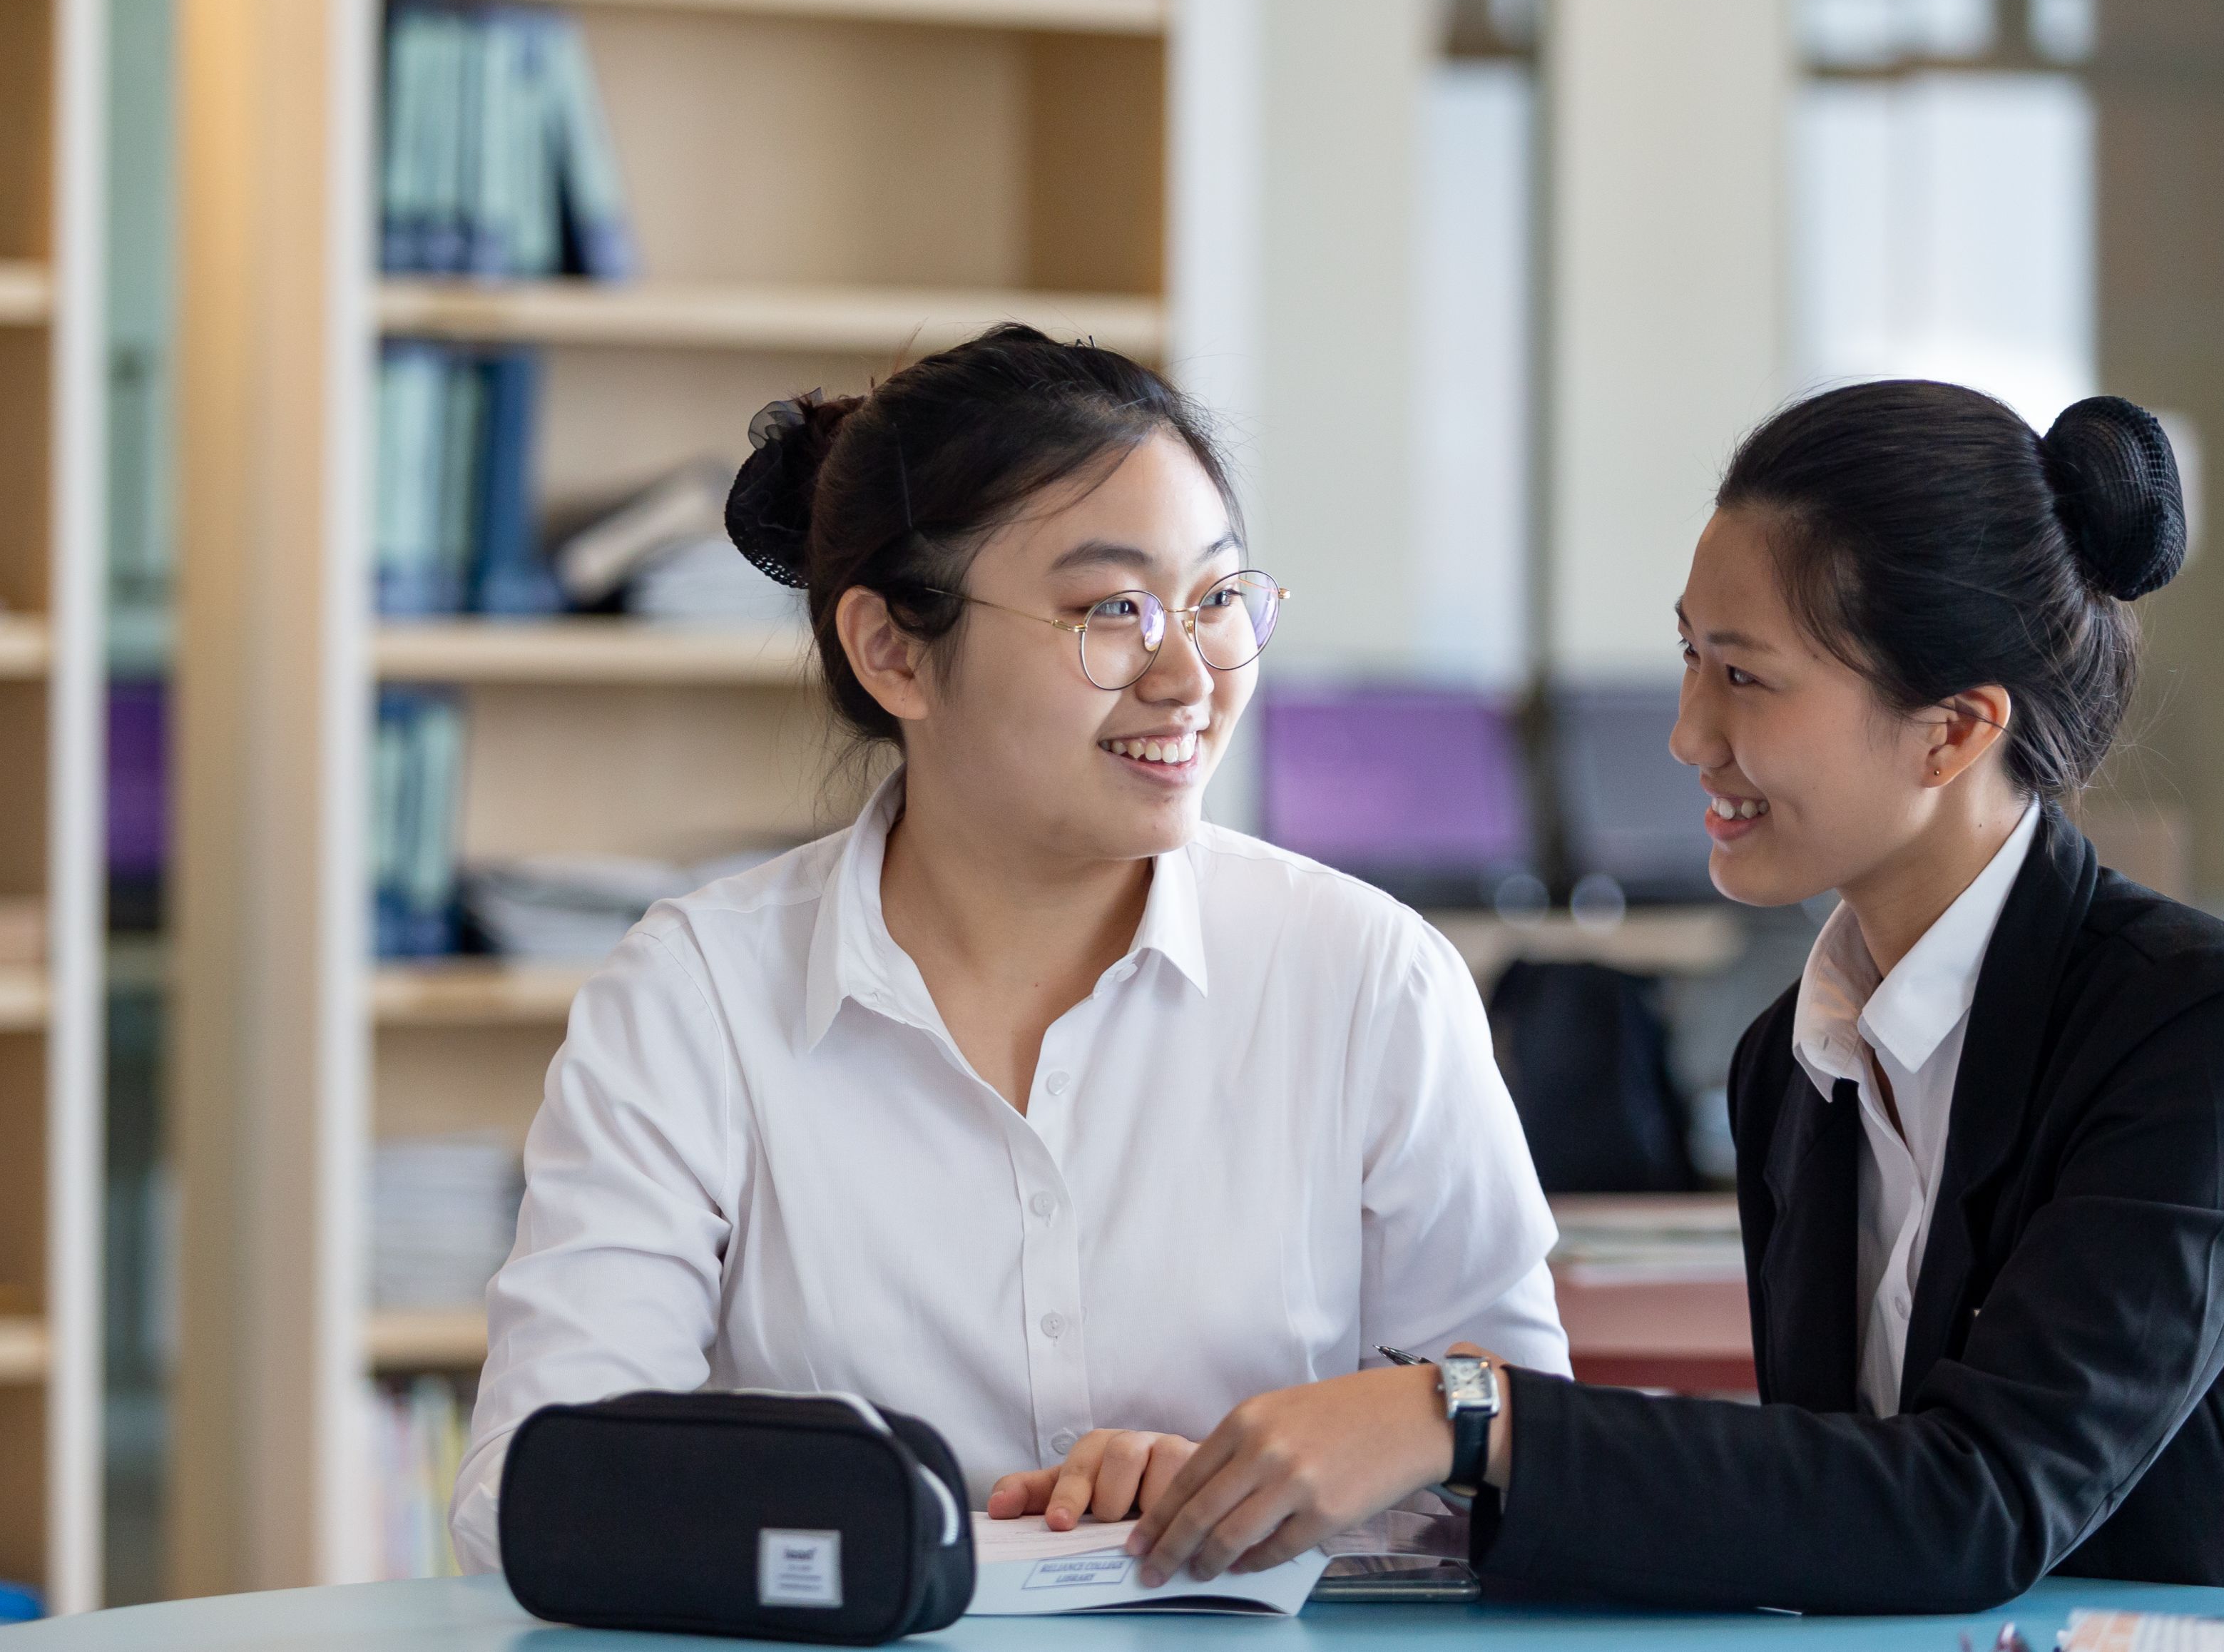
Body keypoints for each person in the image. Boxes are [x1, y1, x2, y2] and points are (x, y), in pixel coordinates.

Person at [1001, 382, 2224, 1613]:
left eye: (1744, 677)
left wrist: (1460, 1411)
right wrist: (1286, 1493)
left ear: (1952, 729)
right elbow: (1823, 1507)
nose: (1690, 731)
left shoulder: (2191, 1031)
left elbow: (1975, 1503)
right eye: (1692, 654)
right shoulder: (1792, 1060)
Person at [447, 325, 1570, 1571]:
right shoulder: (694, 999)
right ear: (893, 653)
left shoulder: (1367, 979)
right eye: (1112, 612)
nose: (1190, 675)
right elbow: (531, 1497)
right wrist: (906, 1532)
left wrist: (1241, 1498)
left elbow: (1528, 1472)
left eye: (1214, 600)